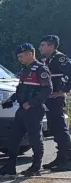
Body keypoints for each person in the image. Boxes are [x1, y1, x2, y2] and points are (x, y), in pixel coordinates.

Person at [0, 43, 52, 177]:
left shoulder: (41, 69)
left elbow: (47, 90)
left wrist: (31, 103)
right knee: (13, 138)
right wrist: (11, 100)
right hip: (22, 110)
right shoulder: (25, 70)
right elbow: (21, 89)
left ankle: (36, 166)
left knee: (35, 139)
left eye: (21, 56)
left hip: (34, 110)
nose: (19, 59)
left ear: (30, 54)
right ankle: (10, 166)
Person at [38, 35, 71, 172]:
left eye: (43, 45)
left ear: (51, 46)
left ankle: (67, 160)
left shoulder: (60, 58)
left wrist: (63, 90)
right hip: (49, 99)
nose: (40, 48)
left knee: (60, 128)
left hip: (56, 98)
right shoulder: (49, 60)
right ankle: (60, 157)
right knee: (54, 128)